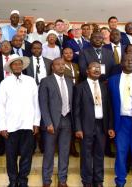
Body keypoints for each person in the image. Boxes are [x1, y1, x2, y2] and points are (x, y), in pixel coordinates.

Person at [0, 54, 40, 187]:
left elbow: (36, 103)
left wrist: (36, 122)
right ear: (10, 67)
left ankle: (23, 181)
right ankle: (13, 181)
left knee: (27, 156)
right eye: (14, 64)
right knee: (11, 156)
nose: (17, 66)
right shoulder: (5, 83)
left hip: (27, 124)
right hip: (11, 126)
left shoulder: (30, 80)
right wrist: (3, 126)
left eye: (19, 64)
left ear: (22, 65)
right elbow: (1, 106)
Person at [74, 62, 115, 187]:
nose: (97, 69)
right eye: (94, 67)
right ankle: (87, 182)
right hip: (86, 127)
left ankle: (98, 181)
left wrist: (110, 127)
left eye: (98, 68)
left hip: (101, 126)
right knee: (86, 156)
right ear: (87, 71)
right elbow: (76, 110)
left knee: (99, 155)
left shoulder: (104, 86)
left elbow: (109, 108)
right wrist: (78, 128)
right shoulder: (80, 87)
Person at [109, 54, 132, 187]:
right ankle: (120, 182)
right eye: (127, 60)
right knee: (121, 154)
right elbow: (109, 105)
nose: (130, 62)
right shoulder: (112, 80)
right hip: (121, 123)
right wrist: (110, 126)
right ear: (121, 62)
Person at [39, 57, 73, 187]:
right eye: (58, 64)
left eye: (63, 64)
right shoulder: (46, 81)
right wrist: (48, 123)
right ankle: (47, 181)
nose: (61, 66)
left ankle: (62, 180)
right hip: (51, 123)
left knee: (64, 153)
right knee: (49, 152)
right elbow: (43, 103)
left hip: (67, 121)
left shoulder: (69, 82)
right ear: (52, 67)